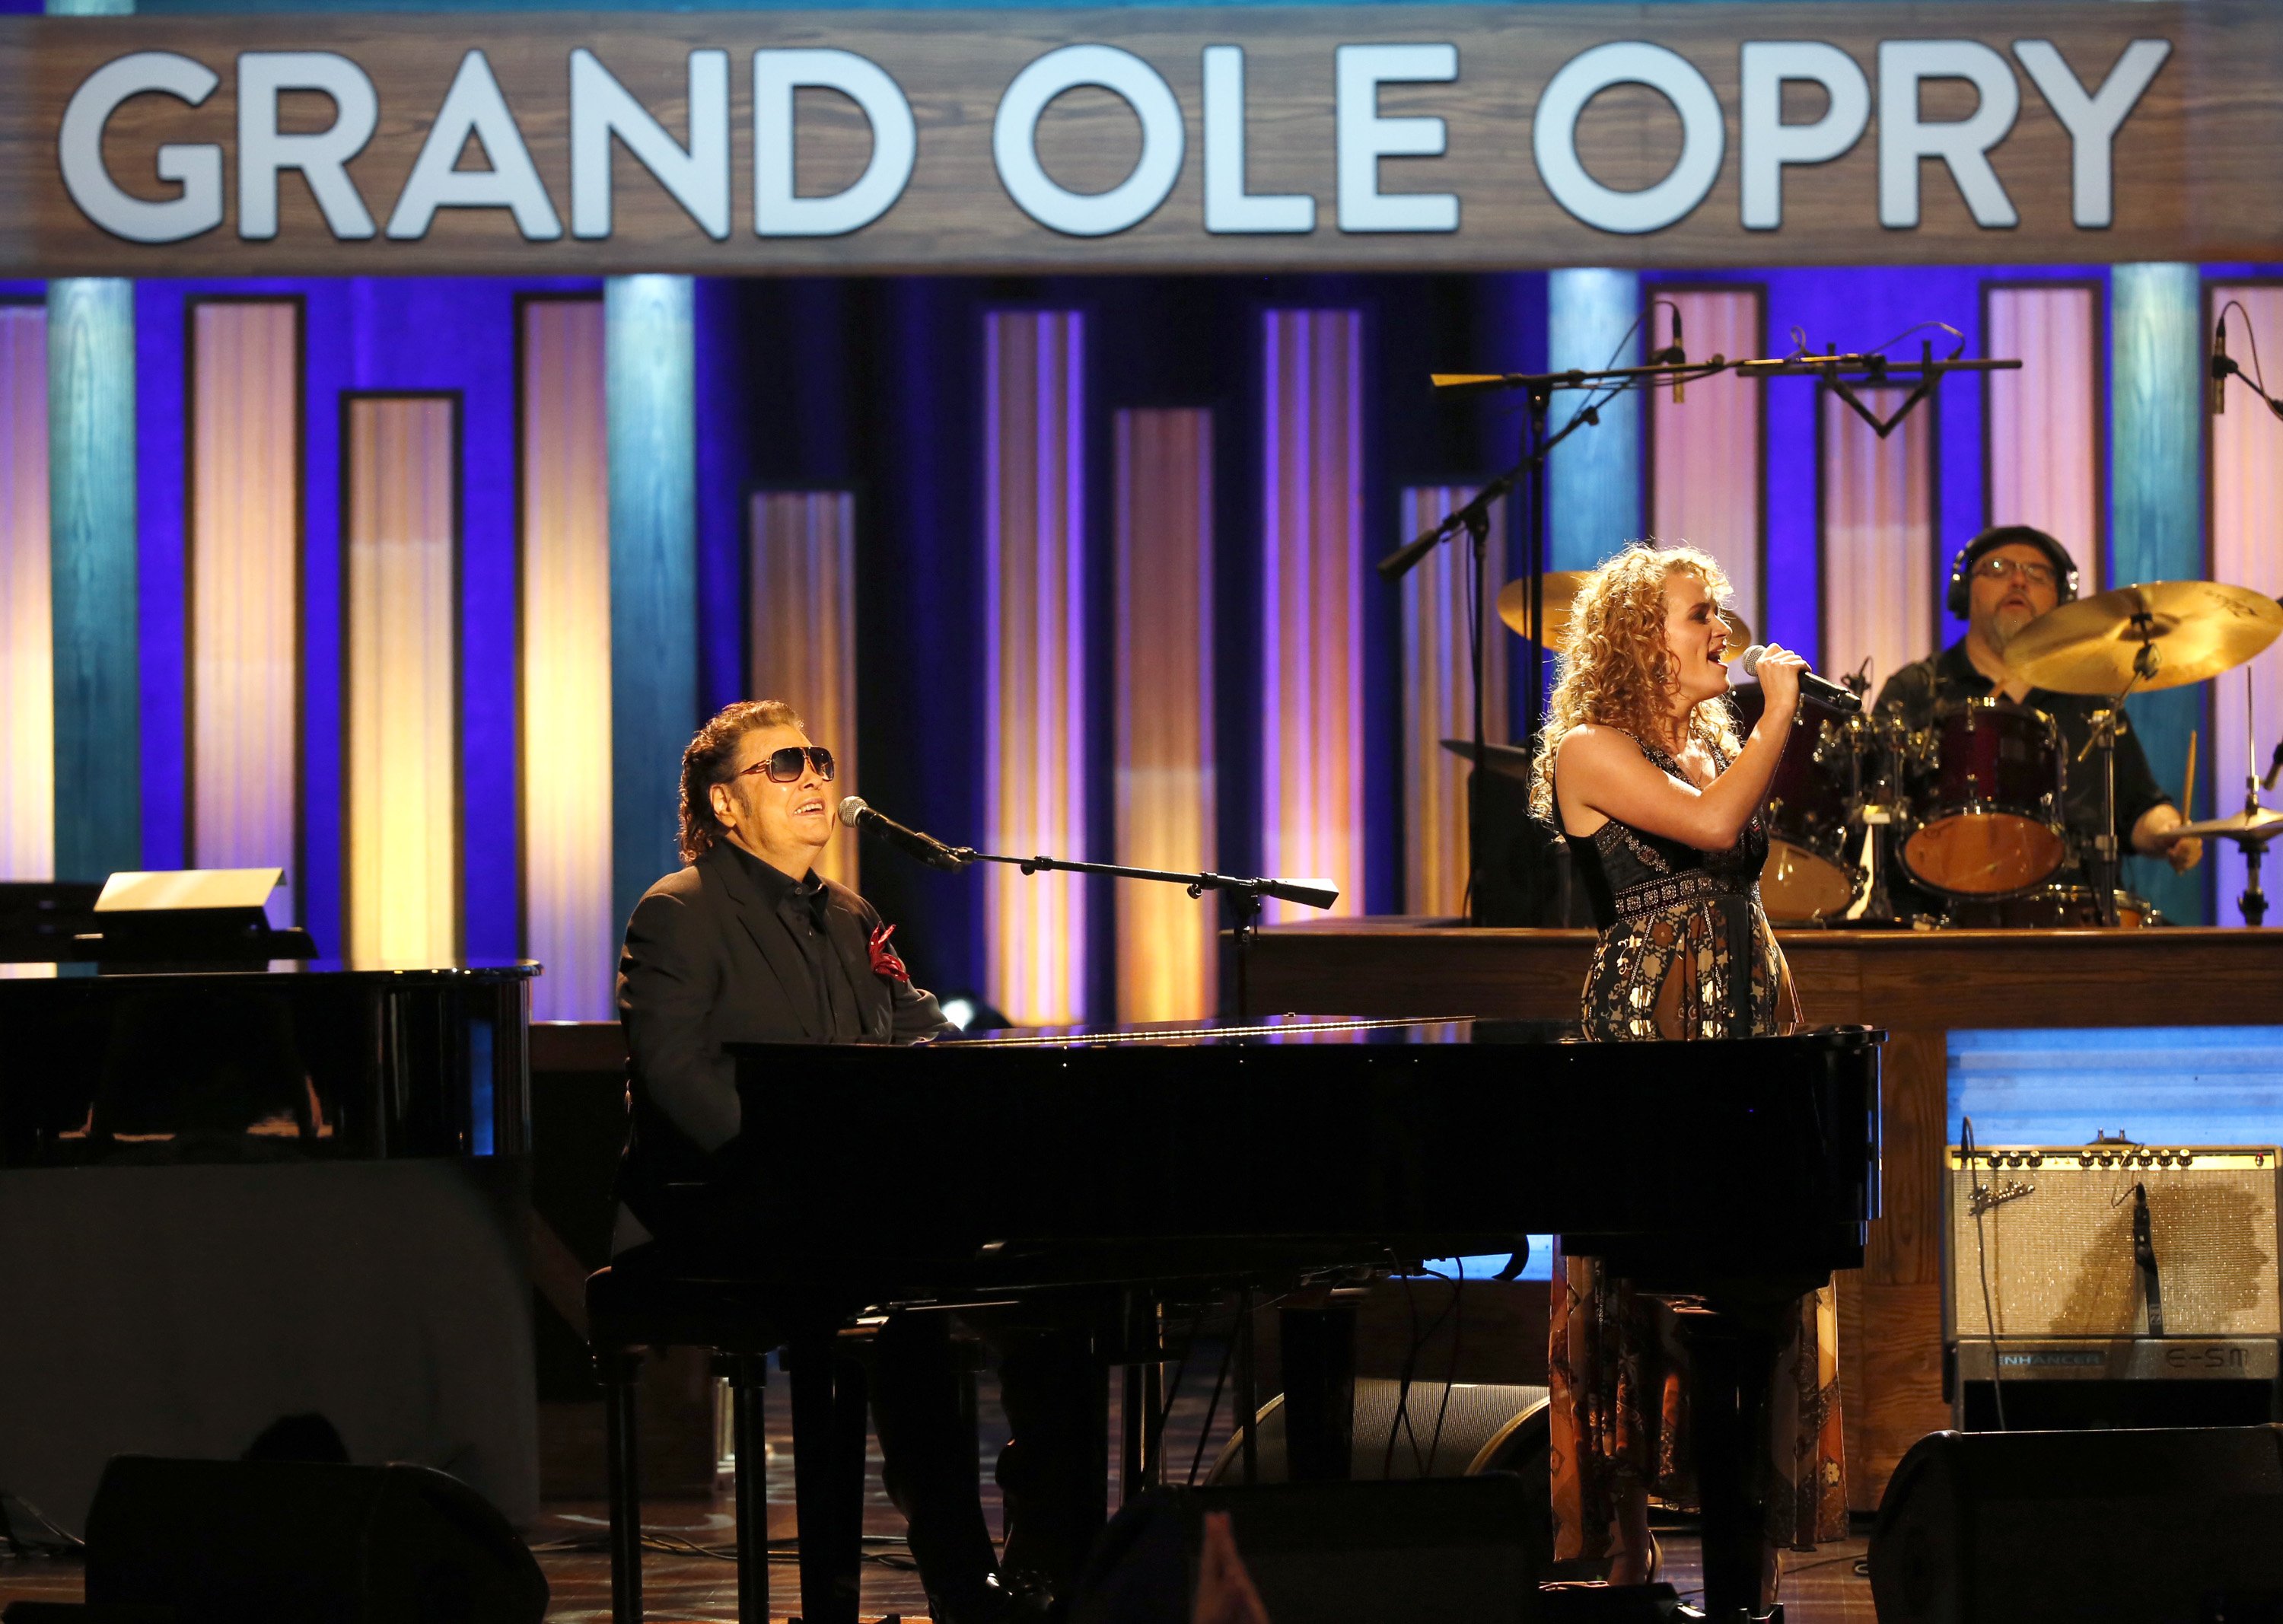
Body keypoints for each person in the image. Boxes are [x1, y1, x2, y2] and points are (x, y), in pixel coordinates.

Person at [614, 700, 1014, 1622]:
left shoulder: (850, 915)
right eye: (783, 766)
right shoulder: (677, 910)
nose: (815, 781)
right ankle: (933, 1582)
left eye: (818, 762)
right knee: (893, 1295)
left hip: (847, 1211)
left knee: (1014, 1281)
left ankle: (1022, 1563)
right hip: (717, 1206)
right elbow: (676, 1077)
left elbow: (920, 1035)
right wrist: (791, 1177)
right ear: (725, 804)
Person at [1528, 542, 1846, 1604]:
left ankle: (1742, 1572)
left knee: (1746, 1289)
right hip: (1652, 1042)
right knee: (1638, 1290)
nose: (1726, 626)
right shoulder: (1588, 748)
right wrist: (1779, 715)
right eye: (1698, 611)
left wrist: (1755, 732)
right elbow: (1712, 832)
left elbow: (1736, 847)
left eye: (1722, 607)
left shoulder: (1707, 746)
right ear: (1636, 638)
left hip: (1744, 1026)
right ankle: (1623, 1553)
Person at [1872, 525, 2200, 912]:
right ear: (1964, 593)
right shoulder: (1915, 691)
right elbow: (1871, 801)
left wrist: (2169, 831)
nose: (2018, 580)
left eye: (2038, 574)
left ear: (2060, 600)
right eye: (1997, 568)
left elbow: (2140, 809)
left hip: (2075, 927)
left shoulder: (2091, 698)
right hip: (1936, 927)